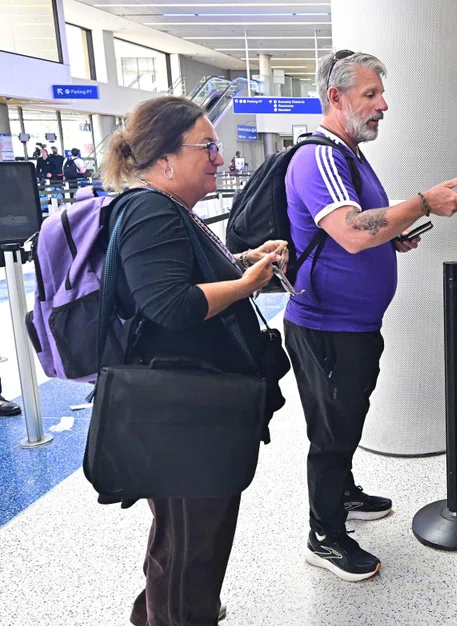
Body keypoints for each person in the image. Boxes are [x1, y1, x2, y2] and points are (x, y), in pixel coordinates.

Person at [284, 50, 457, 583]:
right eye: (370, 95)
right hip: (326, 326)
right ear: (336, 98)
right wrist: (421, 203)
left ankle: (342, 496)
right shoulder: (319, 155)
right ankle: (322, 535)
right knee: (331, 430)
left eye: (380, 94)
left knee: (347, 416)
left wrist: (390, 240)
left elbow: (354, 229)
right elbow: (350, 230)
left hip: (352, 325)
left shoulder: (348, 154)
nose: (382, 105)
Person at [101, 95, 286, 626]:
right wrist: (248, 284)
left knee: (188, 534)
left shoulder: (170, 210)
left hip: (193, 405)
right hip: (182, 411)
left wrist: (244, 261)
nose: (219, 159)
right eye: (207, 147)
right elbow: (169, 304)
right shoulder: (149, 211)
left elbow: (181, 277)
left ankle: (170, 610)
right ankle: (180, 614)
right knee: (189, 540)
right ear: (164, 158)